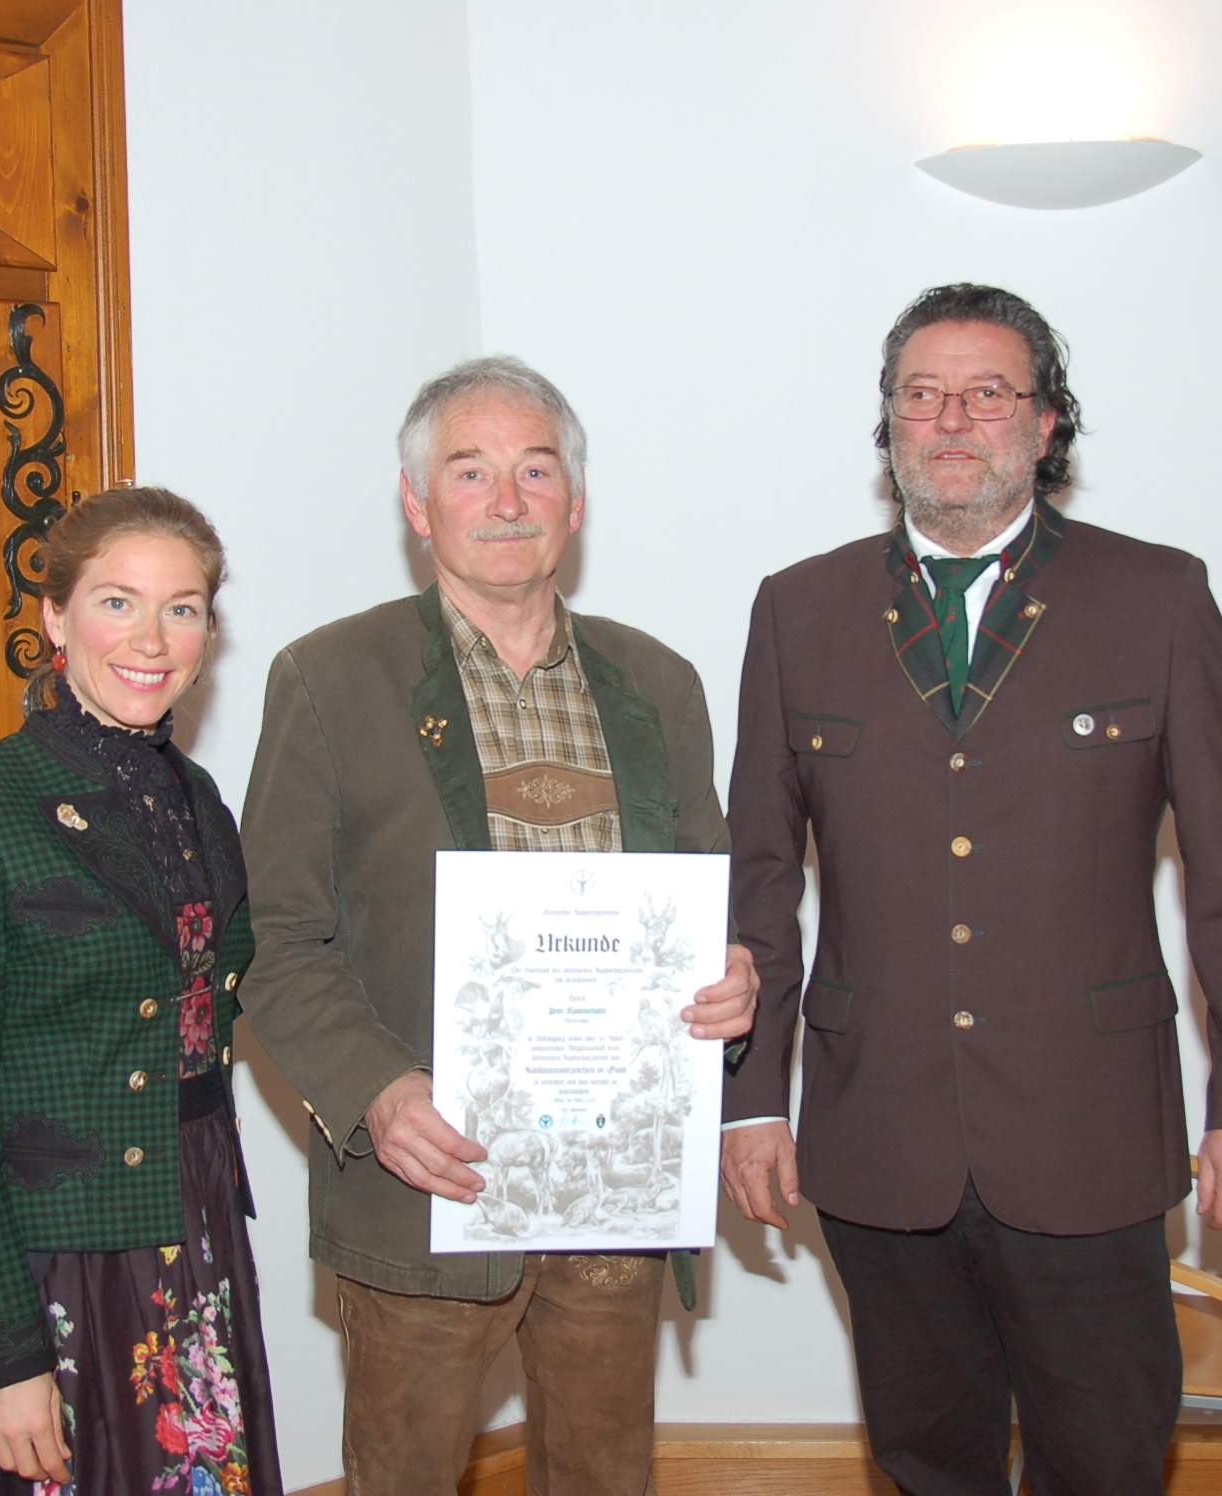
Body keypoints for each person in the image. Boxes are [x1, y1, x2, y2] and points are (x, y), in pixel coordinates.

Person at [719, 284, 1222, 1496]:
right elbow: (759, 880)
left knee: (1106, 1463)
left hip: (1089, 1132)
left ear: (1045, 424)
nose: (951, 420)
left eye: (987, 392)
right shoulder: (797, 609)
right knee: (928, 1462)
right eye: (921, 394)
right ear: (888, 425)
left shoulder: (1159, 598)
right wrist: (748, 1099)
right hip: (877, 1134)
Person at [236, 356, 758, 1496]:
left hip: (613, 1192)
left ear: (577, 500)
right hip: (428, 1180)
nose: (508, 500)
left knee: (604, 1478)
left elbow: (704, 894)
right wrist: (378, 1090)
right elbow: (275, 935)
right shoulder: (329, 678)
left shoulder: (657, 682)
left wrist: (730, 977)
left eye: (537, 469)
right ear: (418, 505)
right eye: (470, 472)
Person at [0, 486, 283, 1493]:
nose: (151, 638)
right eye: (117, 602)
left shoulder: (196, 798)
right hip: (48, 1265)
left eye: (182, 608)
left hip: (191, 1233)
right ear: (56, 618)